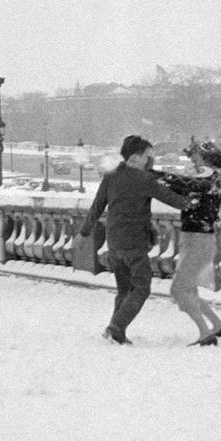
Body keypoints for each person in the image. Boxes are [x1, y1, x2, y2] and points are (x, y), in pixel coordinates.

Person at [78, 134, 191, 344]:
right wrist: (196, 202)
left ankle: (113, 329)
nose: (151, 160)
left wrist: (84, 233)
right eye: (148, 156)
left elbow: (96, 207)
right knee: (141, 287)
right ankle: (116, 328)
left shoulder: (111, 176)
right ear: (136, 157)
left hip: (114, 243)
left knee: (124, 289)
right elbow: (175, 200)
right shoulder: (144, 179)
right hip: (134, 243)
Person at [157, 138, 221, 346]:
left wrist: (155, 175)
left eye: (195, 155)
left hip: (198, 239)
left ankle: (204, 333)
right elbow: (187, 186)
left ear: (205, 157)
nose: (192, 159)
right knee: (188, 288)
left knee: (179, 290)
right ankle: (217, 325)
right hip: (197, 237)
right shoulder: (214, 178)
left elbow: (188, 185)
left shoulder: (209, 178)